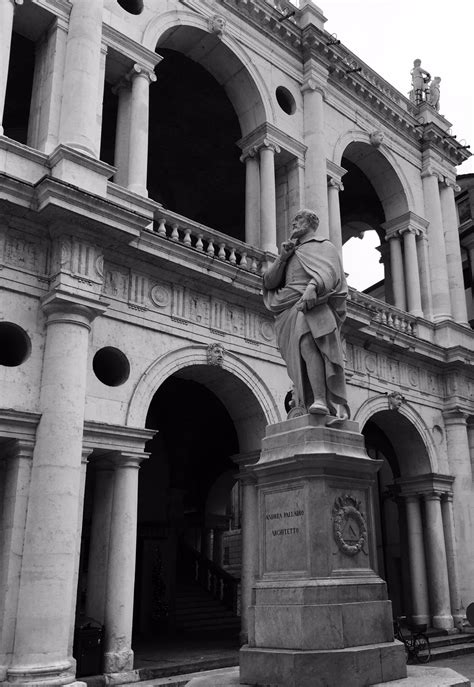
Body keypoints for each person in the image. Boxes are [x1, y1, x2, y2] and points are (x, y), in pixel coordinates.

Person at [263, 209, 350, 422]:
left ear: (311, 222)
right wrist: (282, 258)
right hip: (288, 308)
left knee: (308, 343)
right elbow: (269, 282)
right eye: (293, 220)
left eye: (298, 219)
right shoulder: (291, 252)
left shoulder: (324, 246)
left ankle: (320, 399)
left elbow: (330, 273)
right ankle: (306, 398)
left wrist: (313, 286)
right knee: (298, 360)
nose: (293, 223)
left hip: (312, 305)